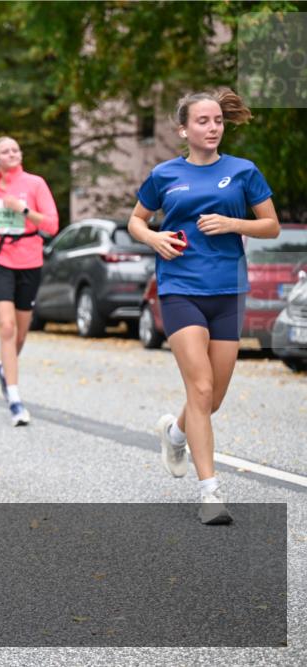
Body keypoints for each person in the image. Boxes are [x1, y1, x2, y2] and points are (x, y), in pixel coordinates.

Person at [128, 88, 278, 525]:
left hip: (228, 291)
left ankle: (175, 432)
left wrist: (233, 223)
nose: (212, 128)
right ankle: (210, 493)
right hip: (180, 289)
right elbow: (136, 220)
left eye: (217, 121)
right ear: (184, 129)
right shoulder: (164, 174)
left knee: (213, 397)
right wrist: (154, 237)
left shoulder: (243, 171)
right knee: (199, 388)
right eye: (203, 122)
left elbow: (269, 225)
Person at [0, 136, 59, 426]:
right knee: (6, 327)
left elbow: (51, 224)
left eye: (15, 150)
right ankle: (14, 398)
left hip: (29, 259)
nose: (12, 154)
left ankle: (3, 369)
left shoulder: (35, 184)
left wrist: (21, 209)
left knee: (20, 333)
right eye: (5, 151)